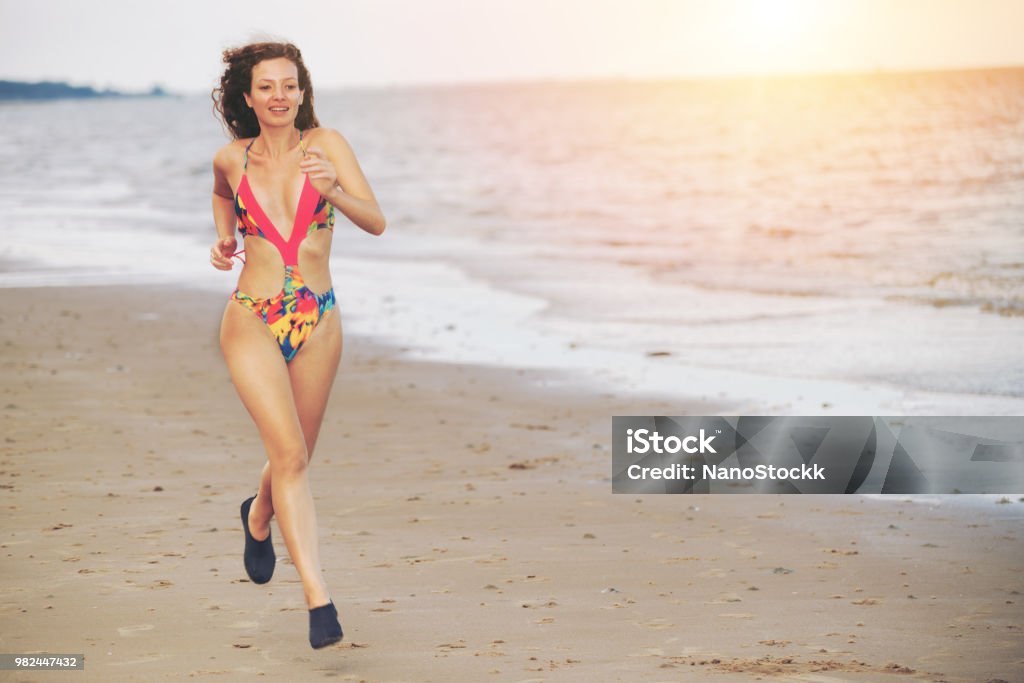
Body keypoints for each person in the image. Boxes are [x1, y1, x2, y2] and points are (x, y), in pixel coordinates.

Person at [209, 41, 385, 649]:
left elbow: (376, 220)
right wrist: (224, 238)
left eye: (290, 85)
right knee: (288, 456)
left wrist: (333, 189)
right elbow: (220, 194)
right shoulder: (232, 159)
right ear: (248, 96)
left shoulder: (327, 146)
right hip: (252, 316)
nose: (279, 96)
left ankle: (258, 515)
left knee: (297, 456)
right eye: (267, 87)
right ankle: (320, 600)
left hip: (319, 319)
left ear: (302, 91)